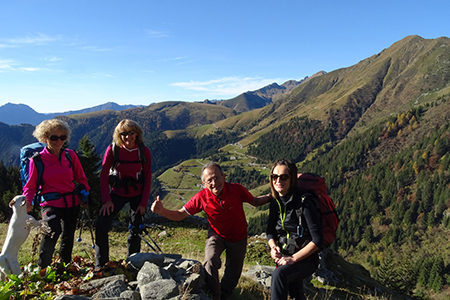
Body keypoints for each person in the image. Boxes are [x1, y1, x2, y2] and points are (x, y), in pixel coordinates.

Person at [151, 161, 271, 300]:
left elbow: (255, 201)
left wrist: (271, 195)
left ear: (224, 177)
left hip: (239, 237)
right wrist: (162, 211)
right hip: (217, 235)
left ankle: (224, 294)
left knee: (234, 272)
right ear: (204, 184)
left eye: (217, 177)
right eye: (209, 180)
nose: (214, 182)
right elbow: (180, 215)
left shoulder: (236, 190)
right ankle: (215, 295)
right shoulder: (201, 197)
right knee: (210, 261)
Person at [23, 119, 90, 269]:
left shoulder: (70, 155)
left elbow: (81, 178)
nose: (59, 141)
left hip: (72, 202)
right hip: (50, 203)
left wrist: (85, 191)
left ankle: (63, 266)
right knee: (52, 231)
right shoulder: (38, 160)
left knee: (68, 234)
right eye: (54, 137)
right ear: (45, 138)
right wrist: (27, 202)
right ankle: (42, 268)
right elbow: (31, 186)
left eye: (62, 137)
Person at [95, 119, 152, 271]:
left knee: (135, 229)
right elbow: (103, 176)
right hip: (117, 193)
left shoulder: (143, 151)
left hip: (137, 194)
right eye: (124, 134)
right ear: (118, 135)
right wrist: (106, 200)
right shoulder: (113, 150)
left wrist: (143, 204)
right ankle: (101, 265)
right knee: (101, 224)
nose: (128, 137)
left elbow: (148, 178)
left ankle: (133, 265)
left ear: (137, 134)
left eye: (131, 133)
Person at [266, 159, 323, 300]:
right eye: (275, 176)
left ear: (292, 179)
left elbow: (318, 240)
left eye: (284, 177)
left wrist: (293, 259)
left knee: (279, 275)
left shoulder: (305, 202)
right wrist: (273, 247)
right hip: (285, 256)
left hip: (306, 259)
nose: (278, 180)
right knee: (296, 292)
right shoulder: (276, 201)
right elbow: (270, 231)